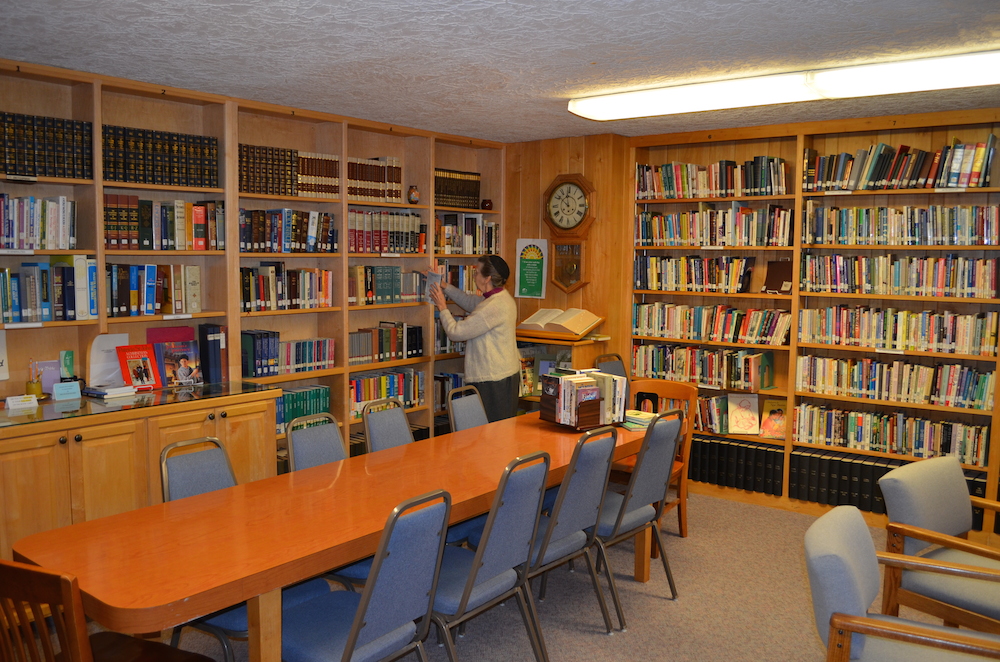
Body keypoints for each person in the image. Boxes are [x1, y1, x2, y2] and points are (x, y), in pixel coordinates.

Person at [429, 255, 520, 422]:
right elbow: (471, 302)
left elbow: (456, 332)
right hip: (503, 376)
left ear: (487, 278)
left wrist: (442, 307)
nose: (474, 276)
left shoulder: (493, 306)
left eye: (476, 272)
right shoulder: (501, 298)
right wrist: (444, 286)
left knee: (490, 432)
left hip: (492, 381)